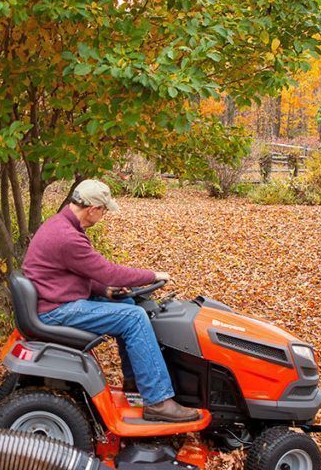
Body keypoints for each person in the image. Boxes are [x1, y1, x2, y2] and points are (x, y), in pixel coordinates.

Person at [22, 179, 200, 423]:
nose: (105, 214)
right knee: (135, 318)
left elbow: (74, 273)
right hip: (56, 310)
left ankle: (135, 383)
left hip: (53, 300)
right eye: (104, 210)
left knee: (127, 306)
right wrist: (152, 275)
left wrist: (105, 292)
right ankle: (158, 401)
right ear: (92, 209)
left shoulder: (62, 225)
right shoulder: (67, 237)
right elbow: (108, 272)